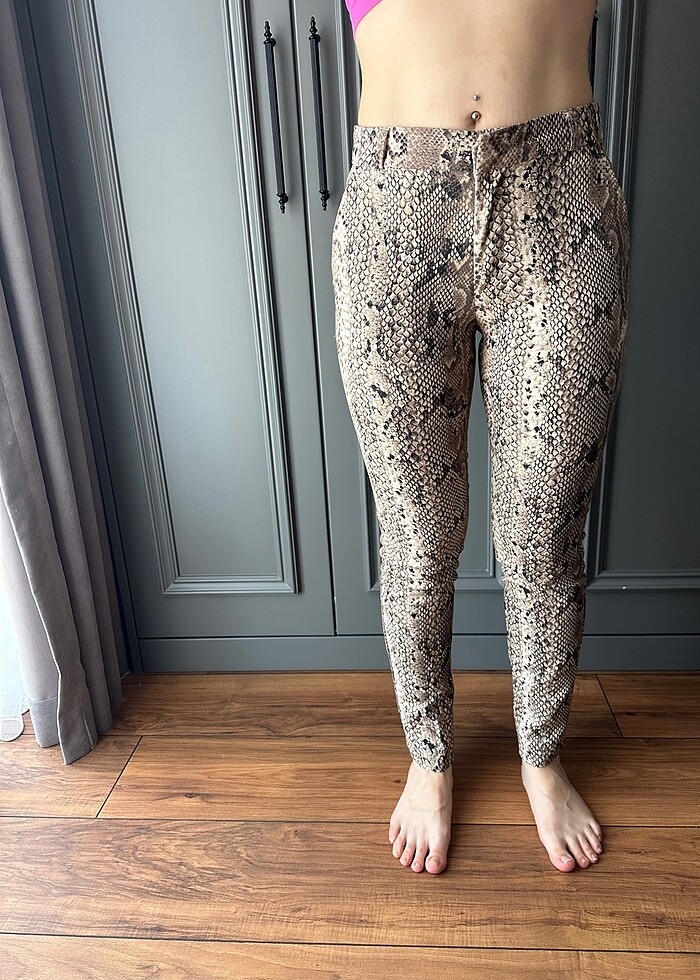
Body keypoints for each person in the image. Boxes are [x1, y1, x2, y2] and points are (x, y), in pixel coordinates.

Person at [332, 0, 631, 875]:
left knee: (545, 527)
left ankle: (542, 754)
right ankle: (430, 759)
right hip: (395, 216)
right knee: (417, 533)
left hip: (560, 204)